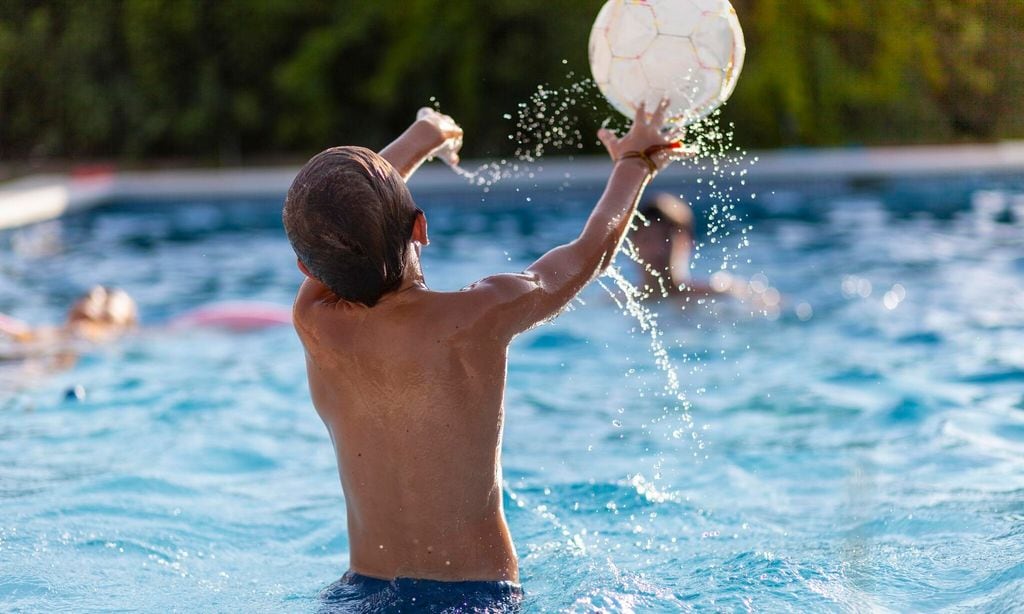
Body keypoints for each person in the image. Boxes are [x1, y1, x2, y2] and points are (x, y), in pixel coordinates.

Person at [283, 101, 686, 611]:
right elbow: (592, 255)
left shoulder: (314, 318)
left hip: (359, 594)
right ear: (421, 228)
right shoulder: (476, 317)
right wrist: (636, 162)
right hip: (474, 597)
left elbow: (341, 231)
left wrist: (419, 138)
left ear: (304, 266)